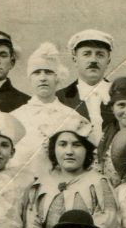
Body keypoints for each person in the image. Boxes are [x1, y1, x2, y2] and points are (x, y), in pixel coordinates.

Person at [22, 127, 119, 228]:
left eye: (76, 145)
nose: (69, 151)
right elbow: (33, 225)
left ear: (87, 149)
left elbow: (106, 226)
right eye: (62, 144)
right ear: (53, 149)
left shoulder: (99, 182)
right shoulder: (41, 184)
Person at [13, 42, 93, 175]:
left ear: (57, 77)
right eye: (37, 73)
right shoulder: (16, 116)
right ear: (30, 79)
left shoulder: (73, 117)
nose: (43, 78)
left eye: (49, 72)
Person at [57, 29, 118, 145]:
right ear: (75, 59)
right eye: (86, 54)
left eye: (100, 54)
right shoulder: (60, 99)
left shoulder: (120, 96)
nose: (93, 60)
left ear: (108, 60)